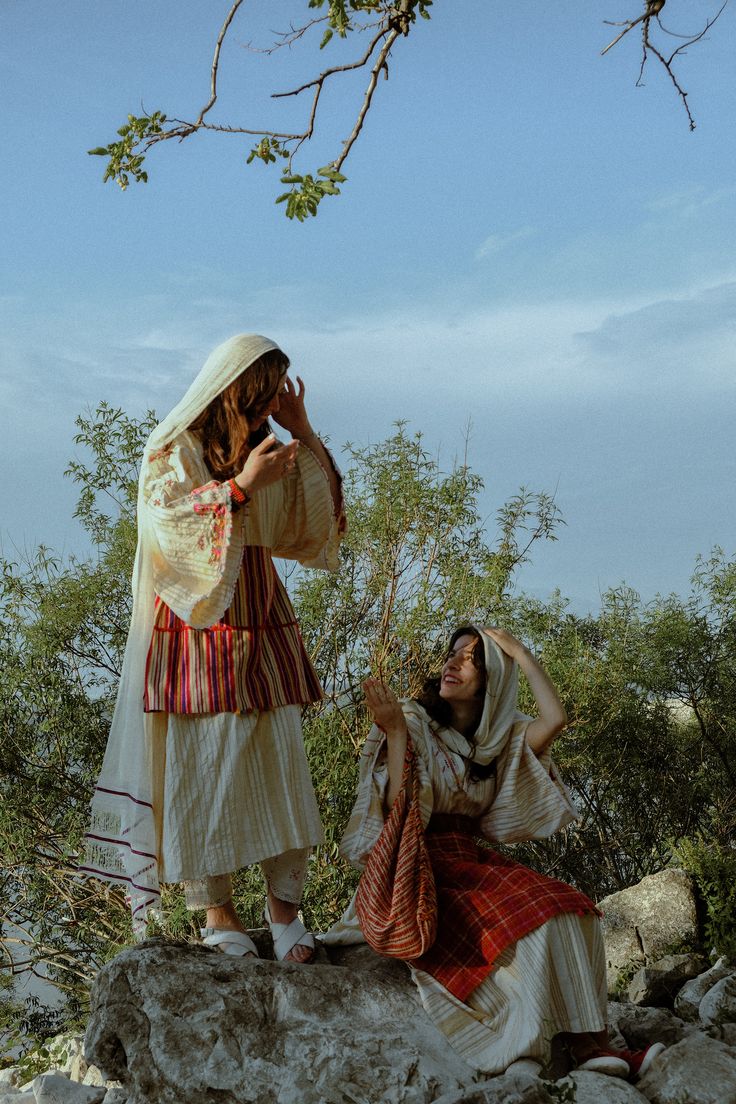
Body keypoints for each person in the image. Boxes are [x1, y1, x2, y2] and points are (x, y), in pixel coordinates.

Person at [83, 333, 344, 963]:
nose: (265, 414)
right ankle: (218, 915)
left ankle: (284, 915)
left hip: (261, 615)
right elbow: (165, 525)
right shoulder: (172, 448)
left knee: (281, 763)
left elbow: (324, 513)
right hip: (198, 629)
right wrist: (240, 489)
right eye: (259, 400)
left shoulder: (267, 447)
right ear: (233, 392)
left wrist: (303, 432)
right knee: (203, 772)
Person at [322, 625, 664, 1078]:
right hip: (419, 864)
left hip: (469, 859)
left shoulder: (499, 740)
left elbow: (555, 719)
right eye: (452, 654)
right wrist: (393, 731)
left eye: (472, 659)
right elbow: (393, 811)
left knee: (573, 907)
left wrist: (520, 652)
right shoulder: (412, 718)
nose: (453, 662)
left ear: (492, 682)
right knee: (538, 915)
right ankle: (571, 1048)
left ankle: (593, 1046)